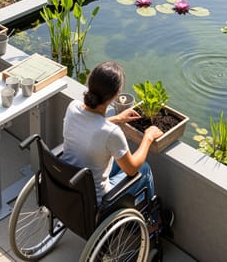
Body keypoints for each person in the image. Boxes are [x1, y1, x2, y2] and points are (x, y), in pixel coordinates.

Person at [62, 61, 163, 207]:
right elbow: (132, 169)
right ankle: (153, 221)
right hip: (97, 202)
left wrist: (117, 118)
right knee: (144, 169)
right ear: (116, 95)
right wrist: (148, 137)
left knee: (115, 160)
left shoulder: (72, 107)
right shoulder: (111, 133)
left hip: (69, 185)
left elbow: (91, 125)